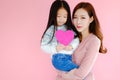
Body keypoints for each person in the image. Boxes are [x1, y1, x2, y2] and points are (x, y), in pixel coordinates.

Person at [56, 2, 107, 80]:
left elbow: (81, 73)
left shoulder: (94, 41)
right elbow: (58, 62)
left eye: (83, 18)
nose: (78, 21)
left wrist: (65, 75)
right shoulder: (69, 36)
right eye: (75, 17)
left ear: (91, 19)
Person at [40, 0, 79, 72]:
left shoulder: (69, 28)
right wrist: (55, 49)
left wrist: (72, 46)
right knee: (79, 71)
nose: (62, 19)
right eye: (59, 16)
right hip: (58, 58)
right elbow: (43, 46)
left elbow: (76, 39)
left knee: (73, 74)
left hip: (70, 57)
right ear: (53, 15)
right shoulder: (51, 30)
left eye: (65, 16)